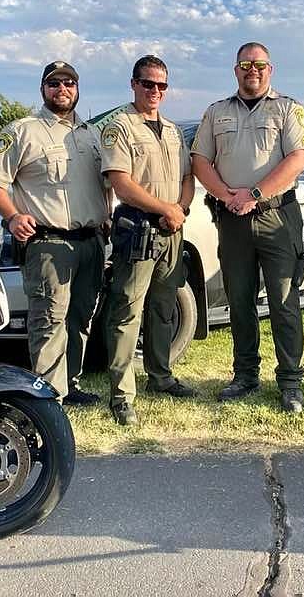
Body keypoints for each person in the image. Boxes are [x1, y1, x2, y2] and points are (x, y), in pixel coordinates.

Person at [191, 42, 304, 413]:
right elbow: (200, 159)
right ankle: (245, 375)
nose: (252, 70)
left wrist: (256, 194)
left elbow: (299, 158)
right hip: (232, 218)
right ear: (236, 70)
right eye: (245, 64)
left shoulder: (288, 109)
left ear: (270, 69)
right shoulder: (216, 112)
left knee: (283, 300)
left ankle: (291, 381)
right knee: (239, 300)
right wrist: (227, 195)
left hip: (277, 215)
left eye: (259, 64)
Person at [0, 61, 108, 405]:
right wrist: (11, 216)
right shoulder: (23, 131)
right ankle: (50, 395)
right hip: (48, 243)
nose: (61, 90)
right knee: (49, 319)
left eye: (68, 83)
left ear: (77, 89)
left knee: (81, 317)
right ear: (43, 90)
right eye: (54, 84)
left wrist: (106, 214)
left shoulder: (91, 134)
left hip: (90, 241)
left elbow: (104, 181)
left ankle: (72, 383)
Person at [100, 56, 197, 426]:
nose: (154, 91)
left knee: (164, 306)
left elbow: (188, 176)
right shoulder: (119, 127)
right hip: (139, 228)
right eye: (147, 84)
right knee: (127, 311)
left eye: (161, 85)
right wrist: (165, 209)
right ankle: (122, 394)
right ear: (134, 84)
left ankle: (161, 376)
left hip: (173, 227)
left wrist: (181, 209)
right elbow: (121, 182)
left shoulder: (173, 130)